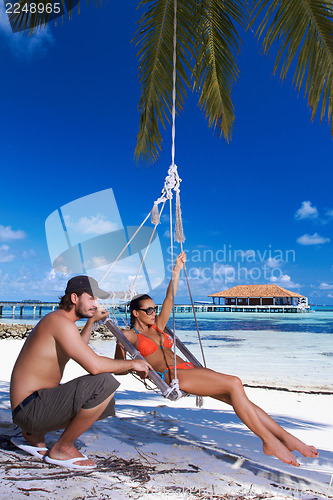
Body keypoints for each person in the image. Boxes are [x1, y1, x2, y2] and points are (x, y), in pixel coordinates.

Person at [116, 252, 318, 468]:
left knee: (240, 399)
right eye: (148, 310)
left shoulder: (158, 326)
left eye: (154, 309)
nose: (153, 312)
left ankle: (288, 438)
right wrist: (121, 348)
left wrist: (176, 271)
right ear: (135, 313)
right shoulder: (129, 335)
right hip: (174, 376)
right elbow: (119, 368)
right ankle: (269, 441)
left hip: (190, 370)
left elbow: (170, 299)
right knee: (234, 383)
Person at [10, 275, 151, 470]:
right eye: (92, 298)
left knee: (106, 400)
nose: (96, 304)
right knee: (104, 383)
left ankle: (33, 435)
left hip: (29, 406)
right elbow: (93, 365)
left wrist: (91, 322)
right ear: (75, 299)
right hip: (30, 409)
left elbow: (78, 348)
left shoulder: (59, 320)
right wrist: (132, 364)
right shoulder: (59, 322)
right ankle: (62, 448)